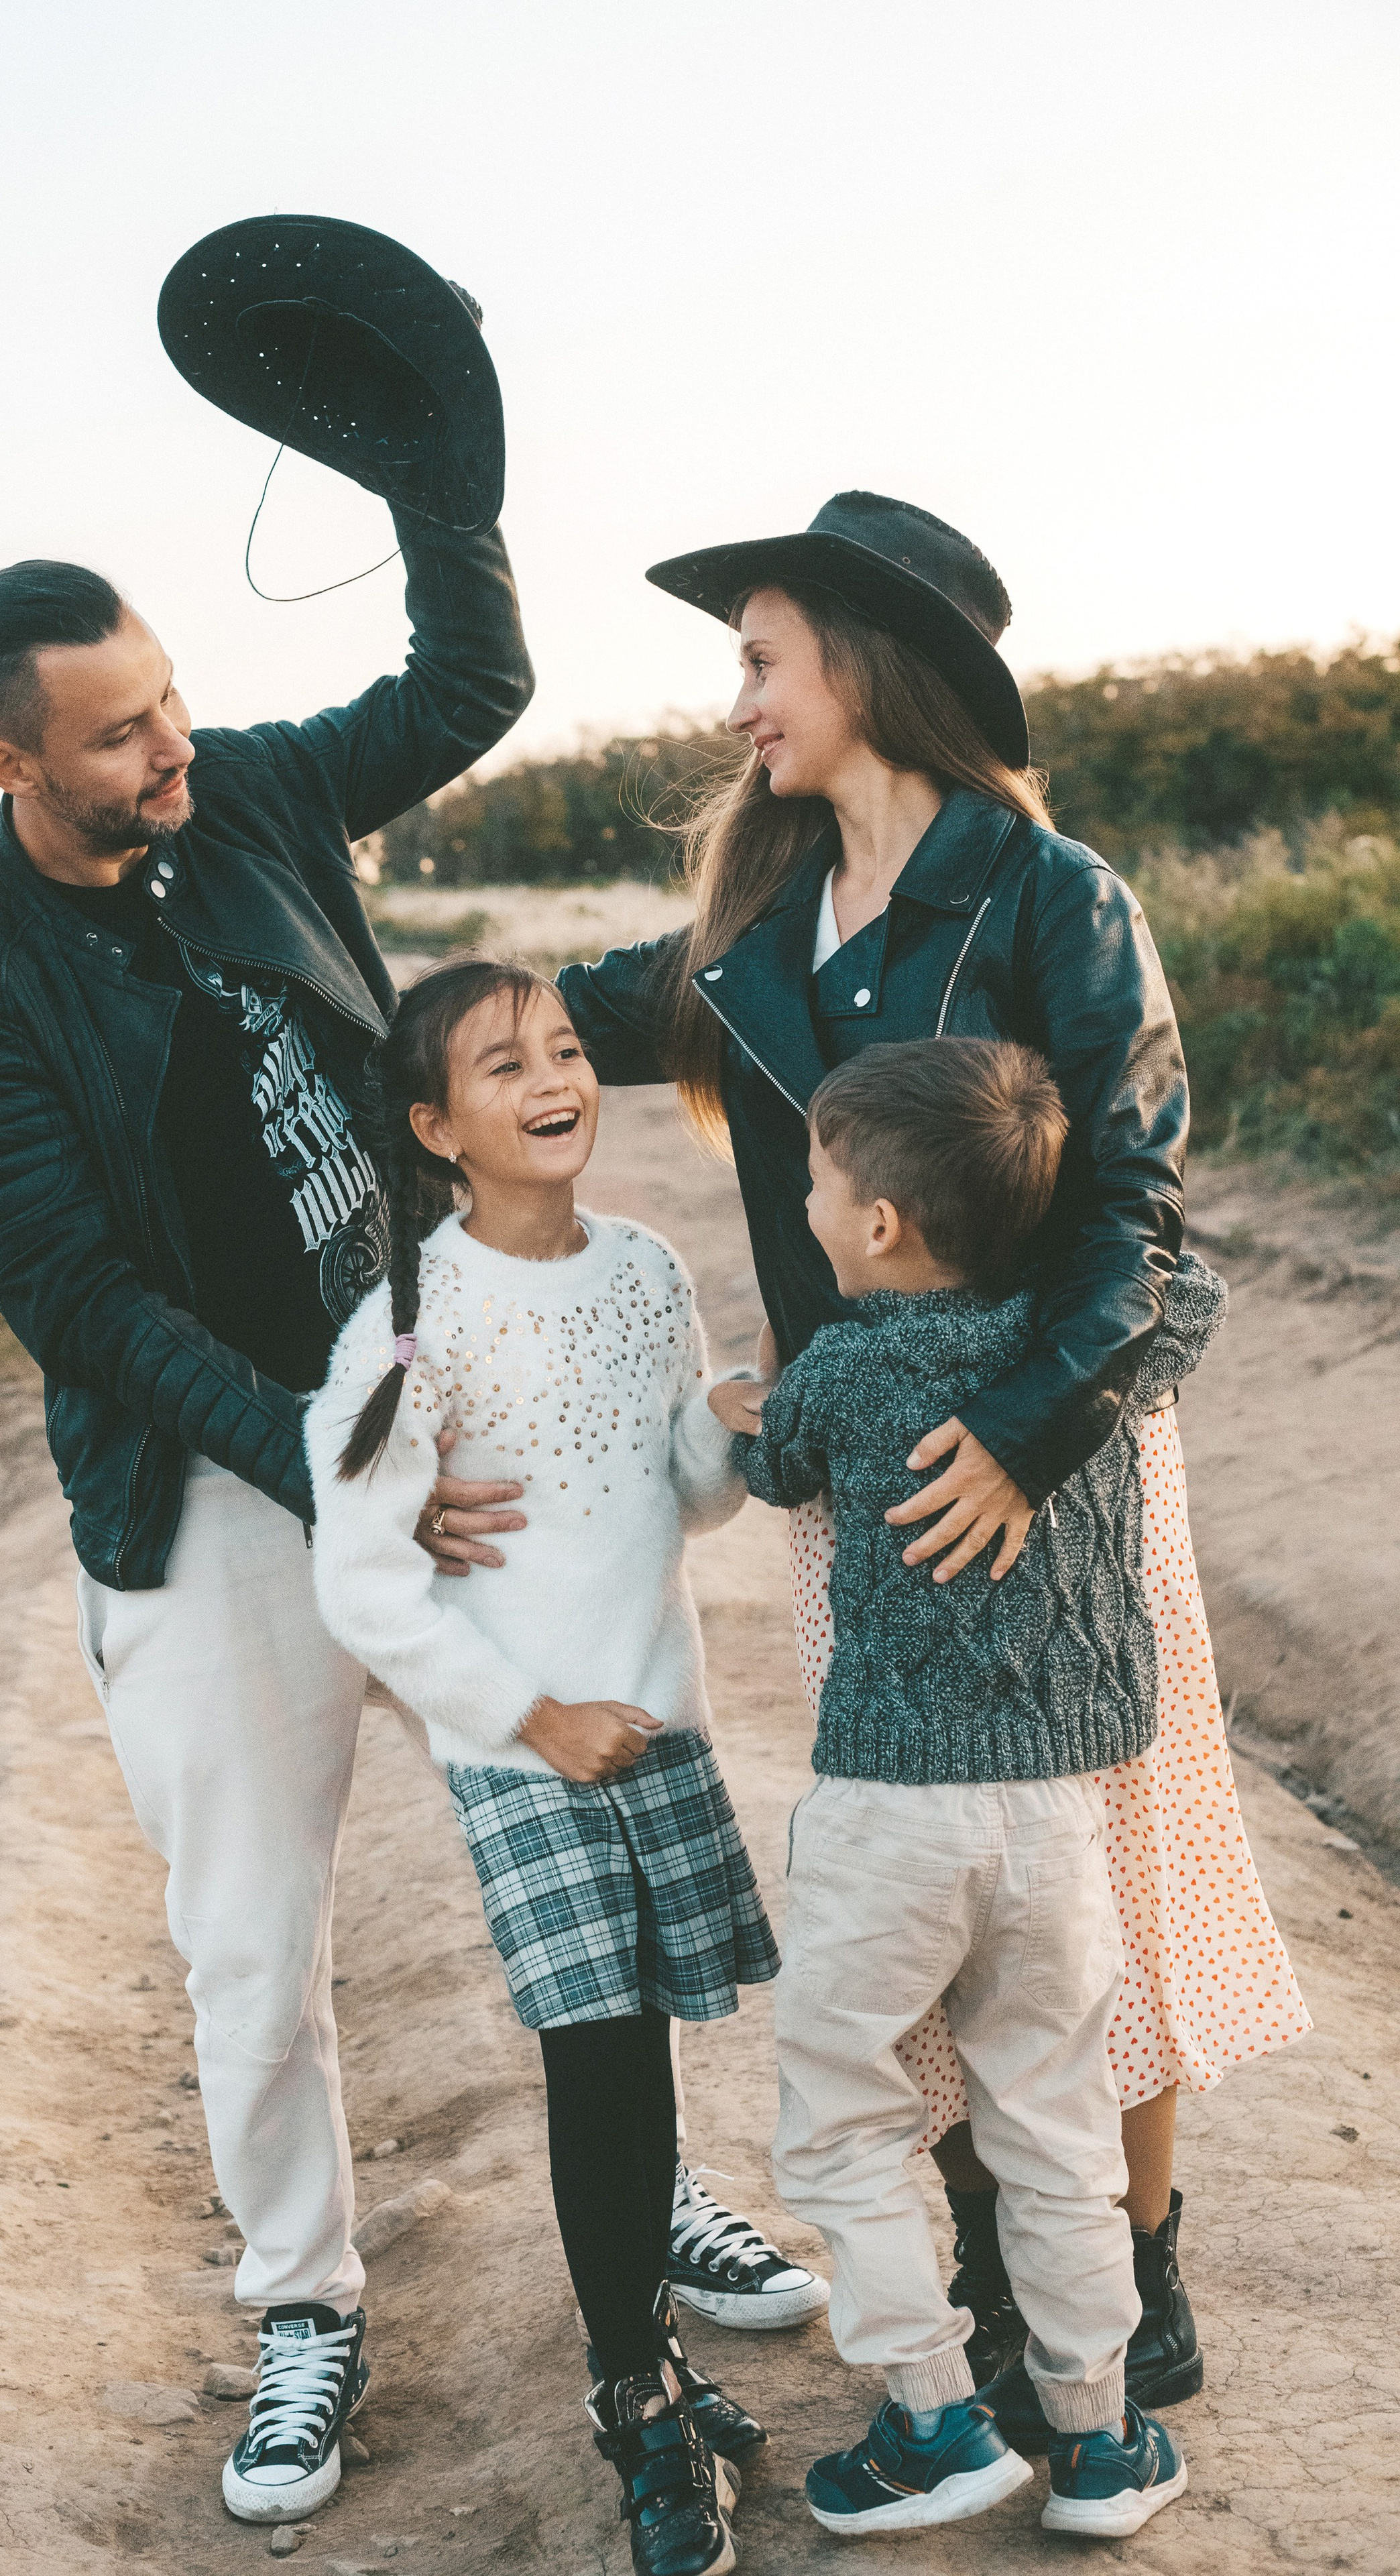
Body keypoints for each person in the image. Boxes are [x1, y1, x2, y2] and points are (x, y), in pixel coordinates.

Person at [557, 490, 1311, 2441]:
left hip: (1058, 1461)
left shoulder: (1053, 893)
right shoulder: (748, 930)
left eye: (761, 660)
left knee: (1100, 1874)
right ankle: (996, 2266)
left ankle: (1135, 2273)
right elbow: (531, 1028)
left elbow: (1134, 1209)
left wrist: (1030, 1438)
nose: (738, 703)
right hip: (863, 1489)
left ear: (867, 666)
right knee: (928, 1878)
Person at [0, 486, 534, 2524]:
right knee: (252, 1944)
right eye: (119, 733)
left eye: (170, 698)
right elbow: (78, 1302)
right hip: (217, 1496)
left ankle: (648, 2190)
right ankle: (304, 2307)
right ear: (7, 763)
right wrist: (333, 1469)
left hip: (427, 1405)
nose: (174, 746)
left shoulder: (248, 792)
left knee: (570, 1830)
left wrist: (438, 479)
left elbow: (468, 686)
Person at [711, 1038, 1224, 2537]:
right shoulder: (1088, 1355)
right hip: (1055, 1818)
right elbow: (1184, 1294)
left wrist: (741, 1391)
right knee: (1057, 2125)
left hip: (888, 1821)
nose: (805, 1203)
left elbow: (774, 1465)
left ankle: (933, 2416)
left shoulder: (843, 1367)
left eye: (817, 1182)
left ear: (878, 1225)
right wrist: (1063, 1231)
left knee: (840, 2121)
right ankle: (1097, 2436)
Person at [304, 958, 776, 2576]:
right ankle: (630, 2390)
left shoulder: (643, 1266)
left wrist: (723, 1420)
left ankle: (654, 2344)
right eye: (502, 1064)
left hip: (652, 1717)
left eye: (565, 1049)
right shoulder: (408, 1325)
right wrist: (527, 1717)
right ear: (436, 1127)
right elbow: (363, 1581)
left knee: (649, 2047)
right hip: (527, 1749)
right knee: (598, 2055)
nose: (552, 1078)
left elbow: (682, 1495)